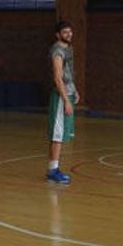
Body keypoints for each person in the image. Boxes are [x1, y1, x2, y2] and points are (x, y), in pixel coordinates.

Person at [47, 21, 80, 184]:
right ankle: (53, 170)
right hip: (61, 96)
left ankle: (54, 168)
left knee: (60, 134)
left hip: (68, 92)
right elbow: (58, 77)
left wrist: (74, 91)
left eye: (70, 31)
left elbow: (68, 75)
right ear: (58, 34)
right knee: (57, 134)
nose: (69, 34)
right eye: (65, 32)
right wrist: (66, 100)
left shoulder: (68, 49)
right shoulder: (58, 51)